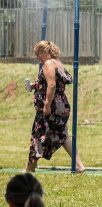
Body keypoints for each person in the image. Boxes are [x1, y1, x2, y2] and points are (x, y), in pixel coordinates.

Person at [27, 40, 85, 173]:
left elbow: (52, 85)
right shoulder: (57, 63)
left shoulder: (48, 63)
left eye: (38, 54)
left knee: (38, 134)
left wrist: (47, 105)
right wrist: (34, 86)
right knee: (63, 135)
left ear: (45, 52)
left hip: (51, 106)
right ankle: (79, 166)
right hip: (61, 105)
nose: (38, 58)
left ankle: (29, 169)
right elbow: (55, 83)